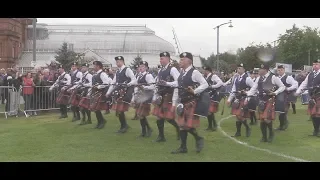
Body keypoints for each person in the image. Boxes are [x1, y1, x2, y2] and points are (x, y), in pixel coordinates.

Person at [171, 52, 208, 154]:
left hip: (191, 102)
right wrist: (175, 102)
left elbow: (205, 84)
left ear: (189, 61)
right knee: (182, 125)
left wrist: (195, 91)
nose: (180, 61)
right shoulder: (182, 72)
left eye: (182, 59)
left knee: (186, 126)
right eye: (180, 59)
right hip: (182, 102)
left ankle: (198, 138)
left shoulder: (194, 72)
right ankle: (184, 147)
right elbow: (178, 87)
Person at [246, 64, 285, 142]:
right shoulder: (259, 78)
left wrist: (275, 92)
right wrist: (248, 95)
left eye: (261, 69)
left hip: (270, 100)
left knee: (267, 119)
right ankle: (264, 137)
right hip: (261, 101)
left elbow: (282, 86)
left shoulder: (273, 77)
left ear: (266, 70)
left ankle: (271, 134)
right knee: (262, 119)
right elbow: (254, 89)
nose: (259, 71)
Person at [152, 52, 181, 142]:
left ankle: (179, 129)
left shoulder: (172, 69)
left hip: (169, 96)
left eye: (162, 58)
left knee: (169, 118)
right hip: (161, 97)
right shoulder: (160, 70)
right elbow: (158, 82)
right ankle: (161, 136)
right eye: (160, 58)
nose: (160, 60)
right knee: (159, 117)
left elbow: (179, 82)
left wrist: (167, 83)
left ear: (168, 59)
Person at [106, 56, 137, 133]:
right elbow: (113, 82)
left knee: (120, 110)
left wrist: (128, 84)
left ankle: (124, 127)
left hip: (125, 92)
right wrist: (108, 92)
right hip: (118, 92)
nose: (117, 63)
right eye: (116, 61)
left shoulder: (127, 70)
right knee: (118, 110)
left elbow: (134, 80)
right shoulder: (118, 71)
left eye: (119, 61)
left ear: (123, 61)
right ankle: (124, 125)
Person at [227, 63, 254, 137]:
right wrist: (229, 99)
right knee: (237, 116)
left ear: (244, 70)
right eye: (238, 68)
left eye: (240, 68)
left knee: (239, 115)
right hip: (237, 98)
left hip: (244, 98)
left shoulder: (247, 78)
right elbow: (233, 89)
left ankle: (248, 128)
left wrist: (246, 92)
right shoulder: (236, 78)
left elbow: (254, 88)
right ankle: (238, 132)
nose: (238, 70)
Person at [295, 59, 320, 136]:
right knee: (313, 114)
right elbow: (304, 84)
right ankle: (316, 130)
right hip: (312, 96)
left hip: (319, 96)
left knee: (317, 114)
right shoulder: (310, 74)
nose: (315, 65)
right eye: (314, 64)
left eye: (317, 64)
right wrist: (298, 92)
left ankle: (318, 131)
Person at [132, 61, 155, 137]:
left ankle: (144, 132)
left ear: (146, 68)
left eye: (142, 66)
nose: (140, 68)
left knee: (141, 115)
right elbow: (136, 86)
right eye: (140, 66)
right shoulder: (139, 76)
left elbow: (153, 86)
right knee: (140, 115)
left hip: (146, 97)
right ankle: (147, 129)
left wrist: (144, 87)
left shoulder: (148, 76)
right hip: (140, 97)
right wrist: (134, 97)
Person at [90, 61, 112, 129]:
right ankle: (100, 121)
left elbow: (106, 83)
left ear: (98, 66)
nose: (93, 67)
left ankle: (101, 122)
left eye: (94, 66)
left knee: (97, 109)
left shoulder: (102, 74)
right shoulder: (95, 74)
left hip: (101, 93)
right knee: (95, 109)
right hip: (96, 93)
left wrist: (98, 87)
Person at [276, 65, 298, 130]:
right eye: (278, 70)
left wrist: (288, 88)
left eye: (281, 70)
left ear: (284, 70)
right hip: (279, 97)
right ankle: (283, 124)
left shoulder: (288, 77)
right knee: (280, 112)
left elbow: (296, 84)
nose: (279, 71)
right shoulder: (276, 78)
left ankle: (282, 126)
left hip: (286, 97)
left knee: (283, 112)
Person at [203, 66, 223, 131]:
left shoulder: (213, 76)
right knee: (209, 112)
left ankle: (210, 126)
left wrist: (212, 86)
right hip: (209, 95)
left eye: (204, 70)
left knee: (209, 111)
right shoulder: (207, 77)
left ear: (207, 71)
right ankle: (213, 125)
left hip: (213, 96)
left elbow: (220, 83)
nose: (204, 72)